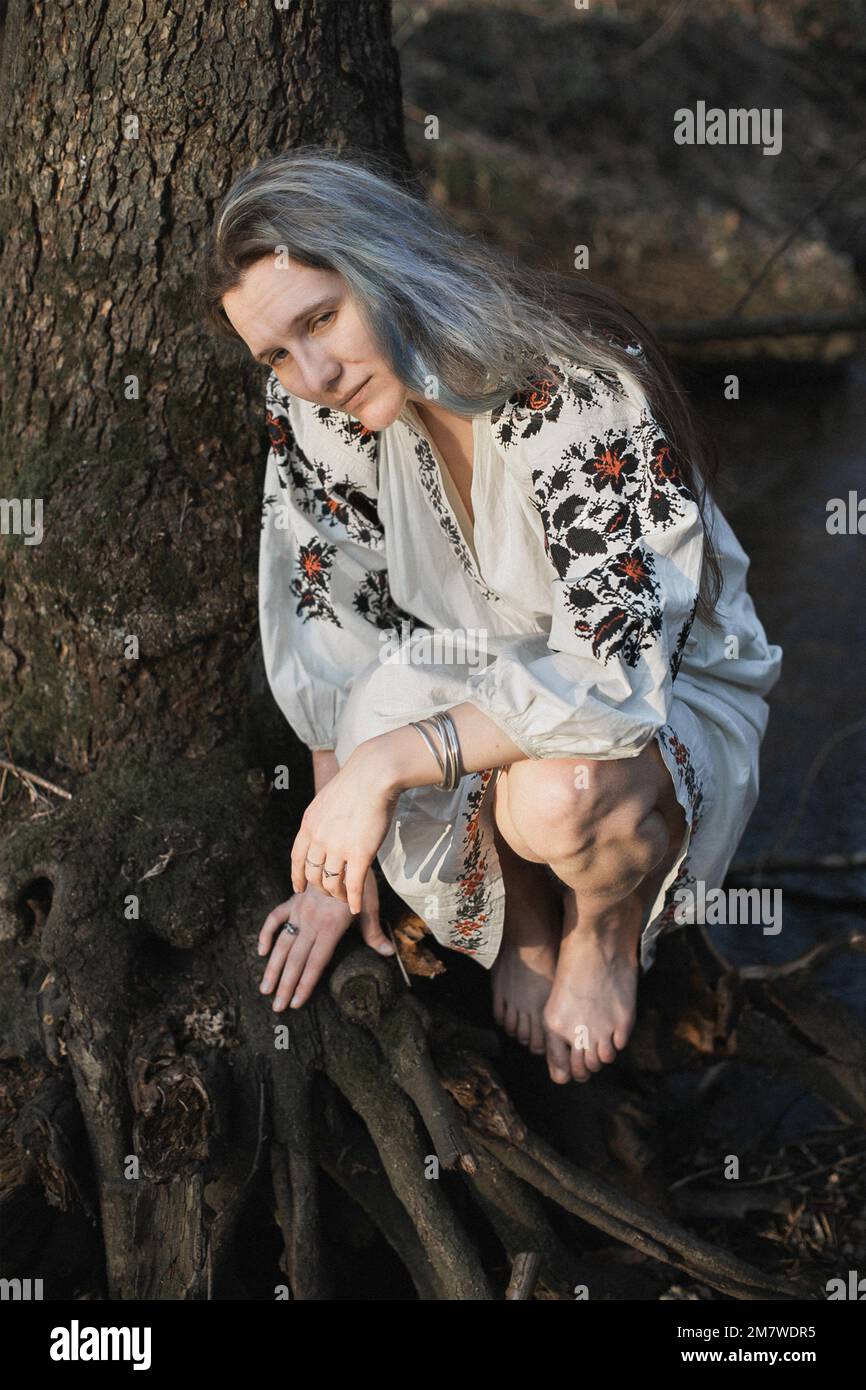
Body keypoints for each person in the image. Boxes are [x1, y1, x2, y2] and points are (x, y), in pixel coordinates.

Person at [198, 145, 782, 1086]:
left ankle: (603, 925)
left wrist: (384, 767)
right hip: (476, 673)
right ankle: (527, 915)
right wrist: (329, 863)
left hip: (657, 694)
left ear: (385, 264)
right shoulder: (314, 403)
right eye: (276, 352)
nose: (314, 372)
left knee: (564, 796)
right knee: (395, 710)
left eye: (323, 318)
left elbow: (613, 682)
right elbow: (329, 618)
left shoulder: (574, 385)